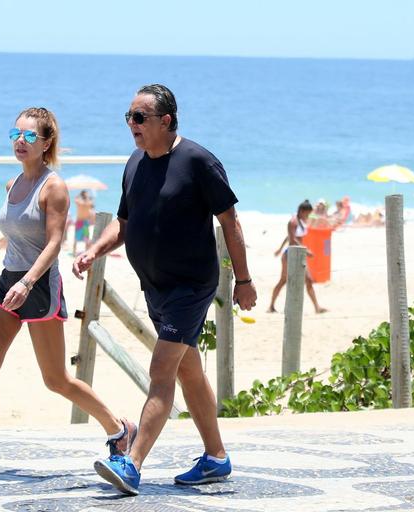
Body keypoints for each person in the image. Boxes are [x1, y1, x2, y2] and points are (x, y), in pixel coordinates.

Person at [73, 84, 257, 496]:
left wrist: (243, 280)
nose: (132, 125)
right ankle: (216, 458)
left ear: (165, 121)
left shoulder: (197, 161)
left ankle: (132, 463)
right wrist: (93, 252)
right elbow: (124, 222)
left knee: (161, 373)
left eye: (139, 118)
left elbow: (230, 221)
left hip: (190, 287)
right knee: (188, 371)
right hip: (154, 287)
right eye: (129, 117)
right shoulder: (135, 162)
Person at [0, 107, 135, 480]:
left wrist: (27, 283)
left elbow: (55, 243)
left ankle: (119, 428)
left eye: (28, 137)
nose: (19, 143)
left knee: (55, 380)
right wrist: (10, 266)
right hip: (8, 281)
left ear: (46, 143)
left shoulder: (53, 186)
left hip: (39, 286)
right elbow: (15, 232)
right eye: (15, 135)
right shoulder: (13, 184)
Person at [267, 200, 327, 314]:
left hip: (298, 254)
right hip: (291, 255)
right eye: (307, 213)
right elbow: (292, 238)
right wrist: (306, 250)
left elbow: (288, 237)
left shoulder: (300, 221)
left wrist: (280, 248)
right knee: (283, 280)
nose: (308, 216)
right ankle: (271, 306)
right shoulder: (293, 221)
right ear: (302, 211)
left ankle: (317, 308)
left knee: (308, 280)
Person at [72, 189, 94, 255]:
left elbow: (75, 199)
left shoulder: (80, 202)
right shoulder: (87, 203)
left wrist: (79, 195)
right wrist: (87, 197)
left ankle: (74, 252)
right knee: (84, 237)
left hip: (82, 222)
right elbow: (91, 204)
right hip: (83, 222)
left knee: (81, 238)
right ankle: (85, 252)